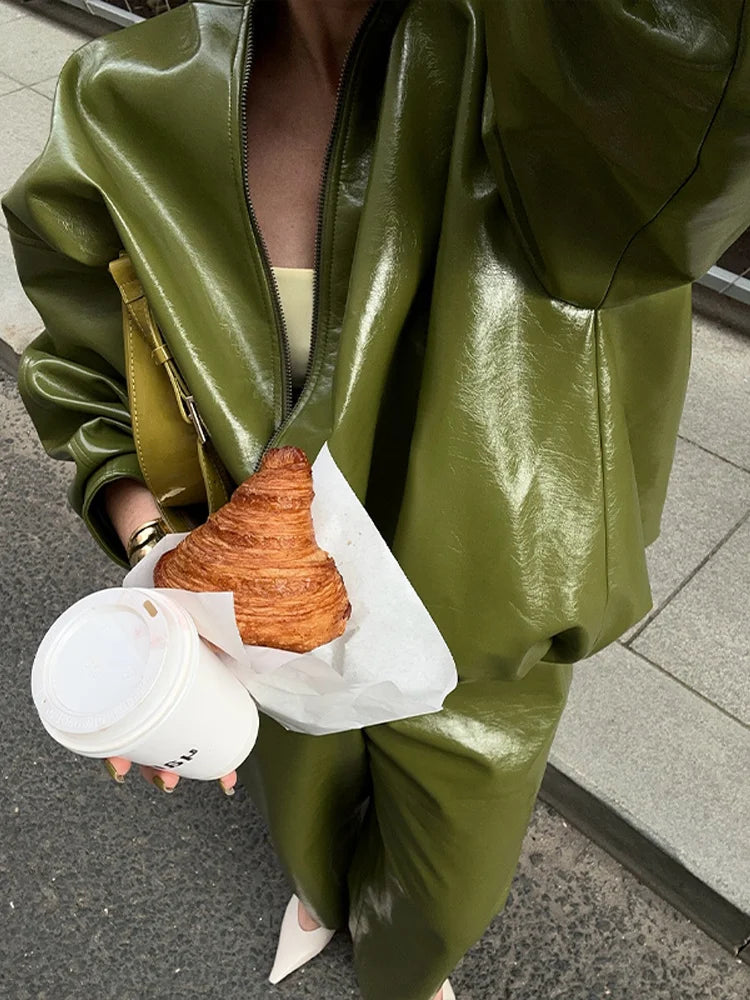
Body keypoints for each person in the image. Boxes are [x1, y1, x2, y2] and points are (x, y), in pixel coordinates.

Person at [3, 1, 749, 998]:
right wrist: (159, 565)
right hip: (269, 625)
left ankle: (404, 971)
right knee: (303, 823)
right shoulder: (124, 97)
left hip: (479, 642)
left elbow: (701, 92)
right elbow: (88, 368)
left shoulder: (566, 84)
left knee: (442, 895)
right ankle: (323, 896)